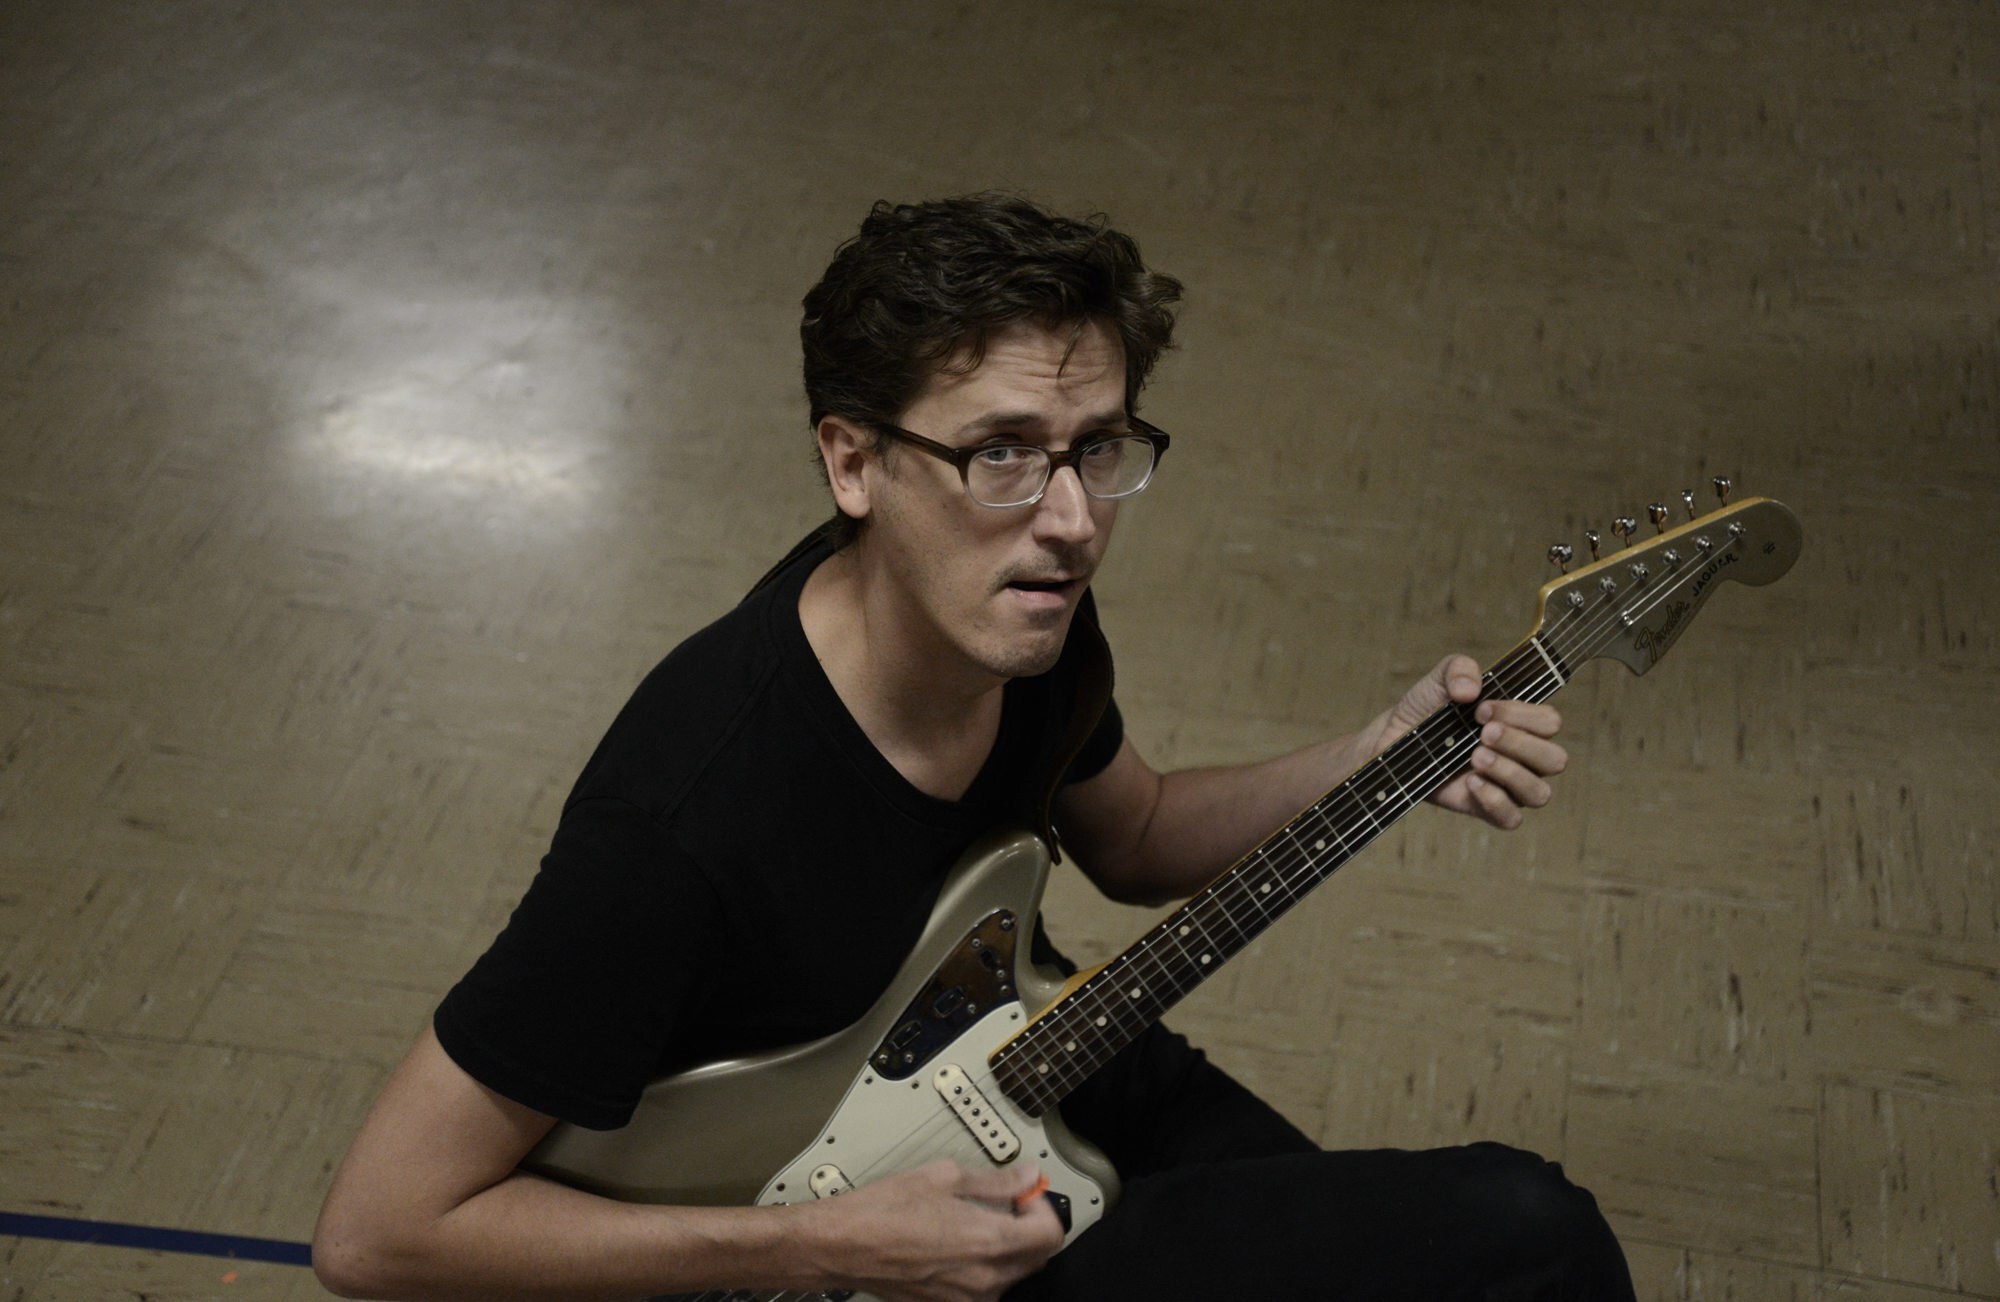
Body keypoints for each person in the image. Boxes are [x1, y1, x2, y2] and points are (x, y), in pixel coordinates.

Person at [313, 194, 1635, 1301]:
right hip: (837, 1234)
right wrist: (826, 1241)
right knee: (1527, 1229)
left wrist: (1381, 747)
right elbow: (377, 1232)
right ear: (853, 461)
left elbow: (1142, 834)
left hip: (1032, 1047)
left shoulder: (1025, 616)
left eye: (1097, 450)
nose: (1068, 520)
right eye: (1001, 452)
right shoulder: (684, 822)